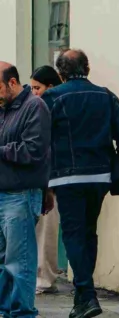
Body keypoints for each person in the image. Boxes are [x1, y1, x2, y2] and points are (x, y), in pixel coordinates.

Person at [43, 50, 119, 318]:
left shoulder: (52, 97)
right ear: (88, 68)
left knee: (72, 233)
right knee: (89, 231)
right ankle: (83, 297)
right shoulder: (106, 96)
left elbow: (43, 139)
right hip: (100, 176)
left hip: (66, 176)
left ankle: (88, 294)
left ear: (60, 73)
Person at [0, 64, 51, 318]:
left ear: (12, 83)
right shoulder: (4, 108)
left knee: (19, 261)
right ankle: (6, 310)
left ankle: (21, 313)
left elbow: (33, 151)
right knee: (3, 263)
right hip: (4, 193)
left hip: (19, 194)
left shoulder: (35, 107)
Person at [29, 66, 62, 296]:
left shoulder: (51, 109)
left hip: (52, 178)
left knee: (47, 229)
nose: (34, 93)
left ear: (50, 87)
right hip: (43, 177)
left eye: (37, 88)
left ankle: (45, 278)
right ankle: (43, 276)